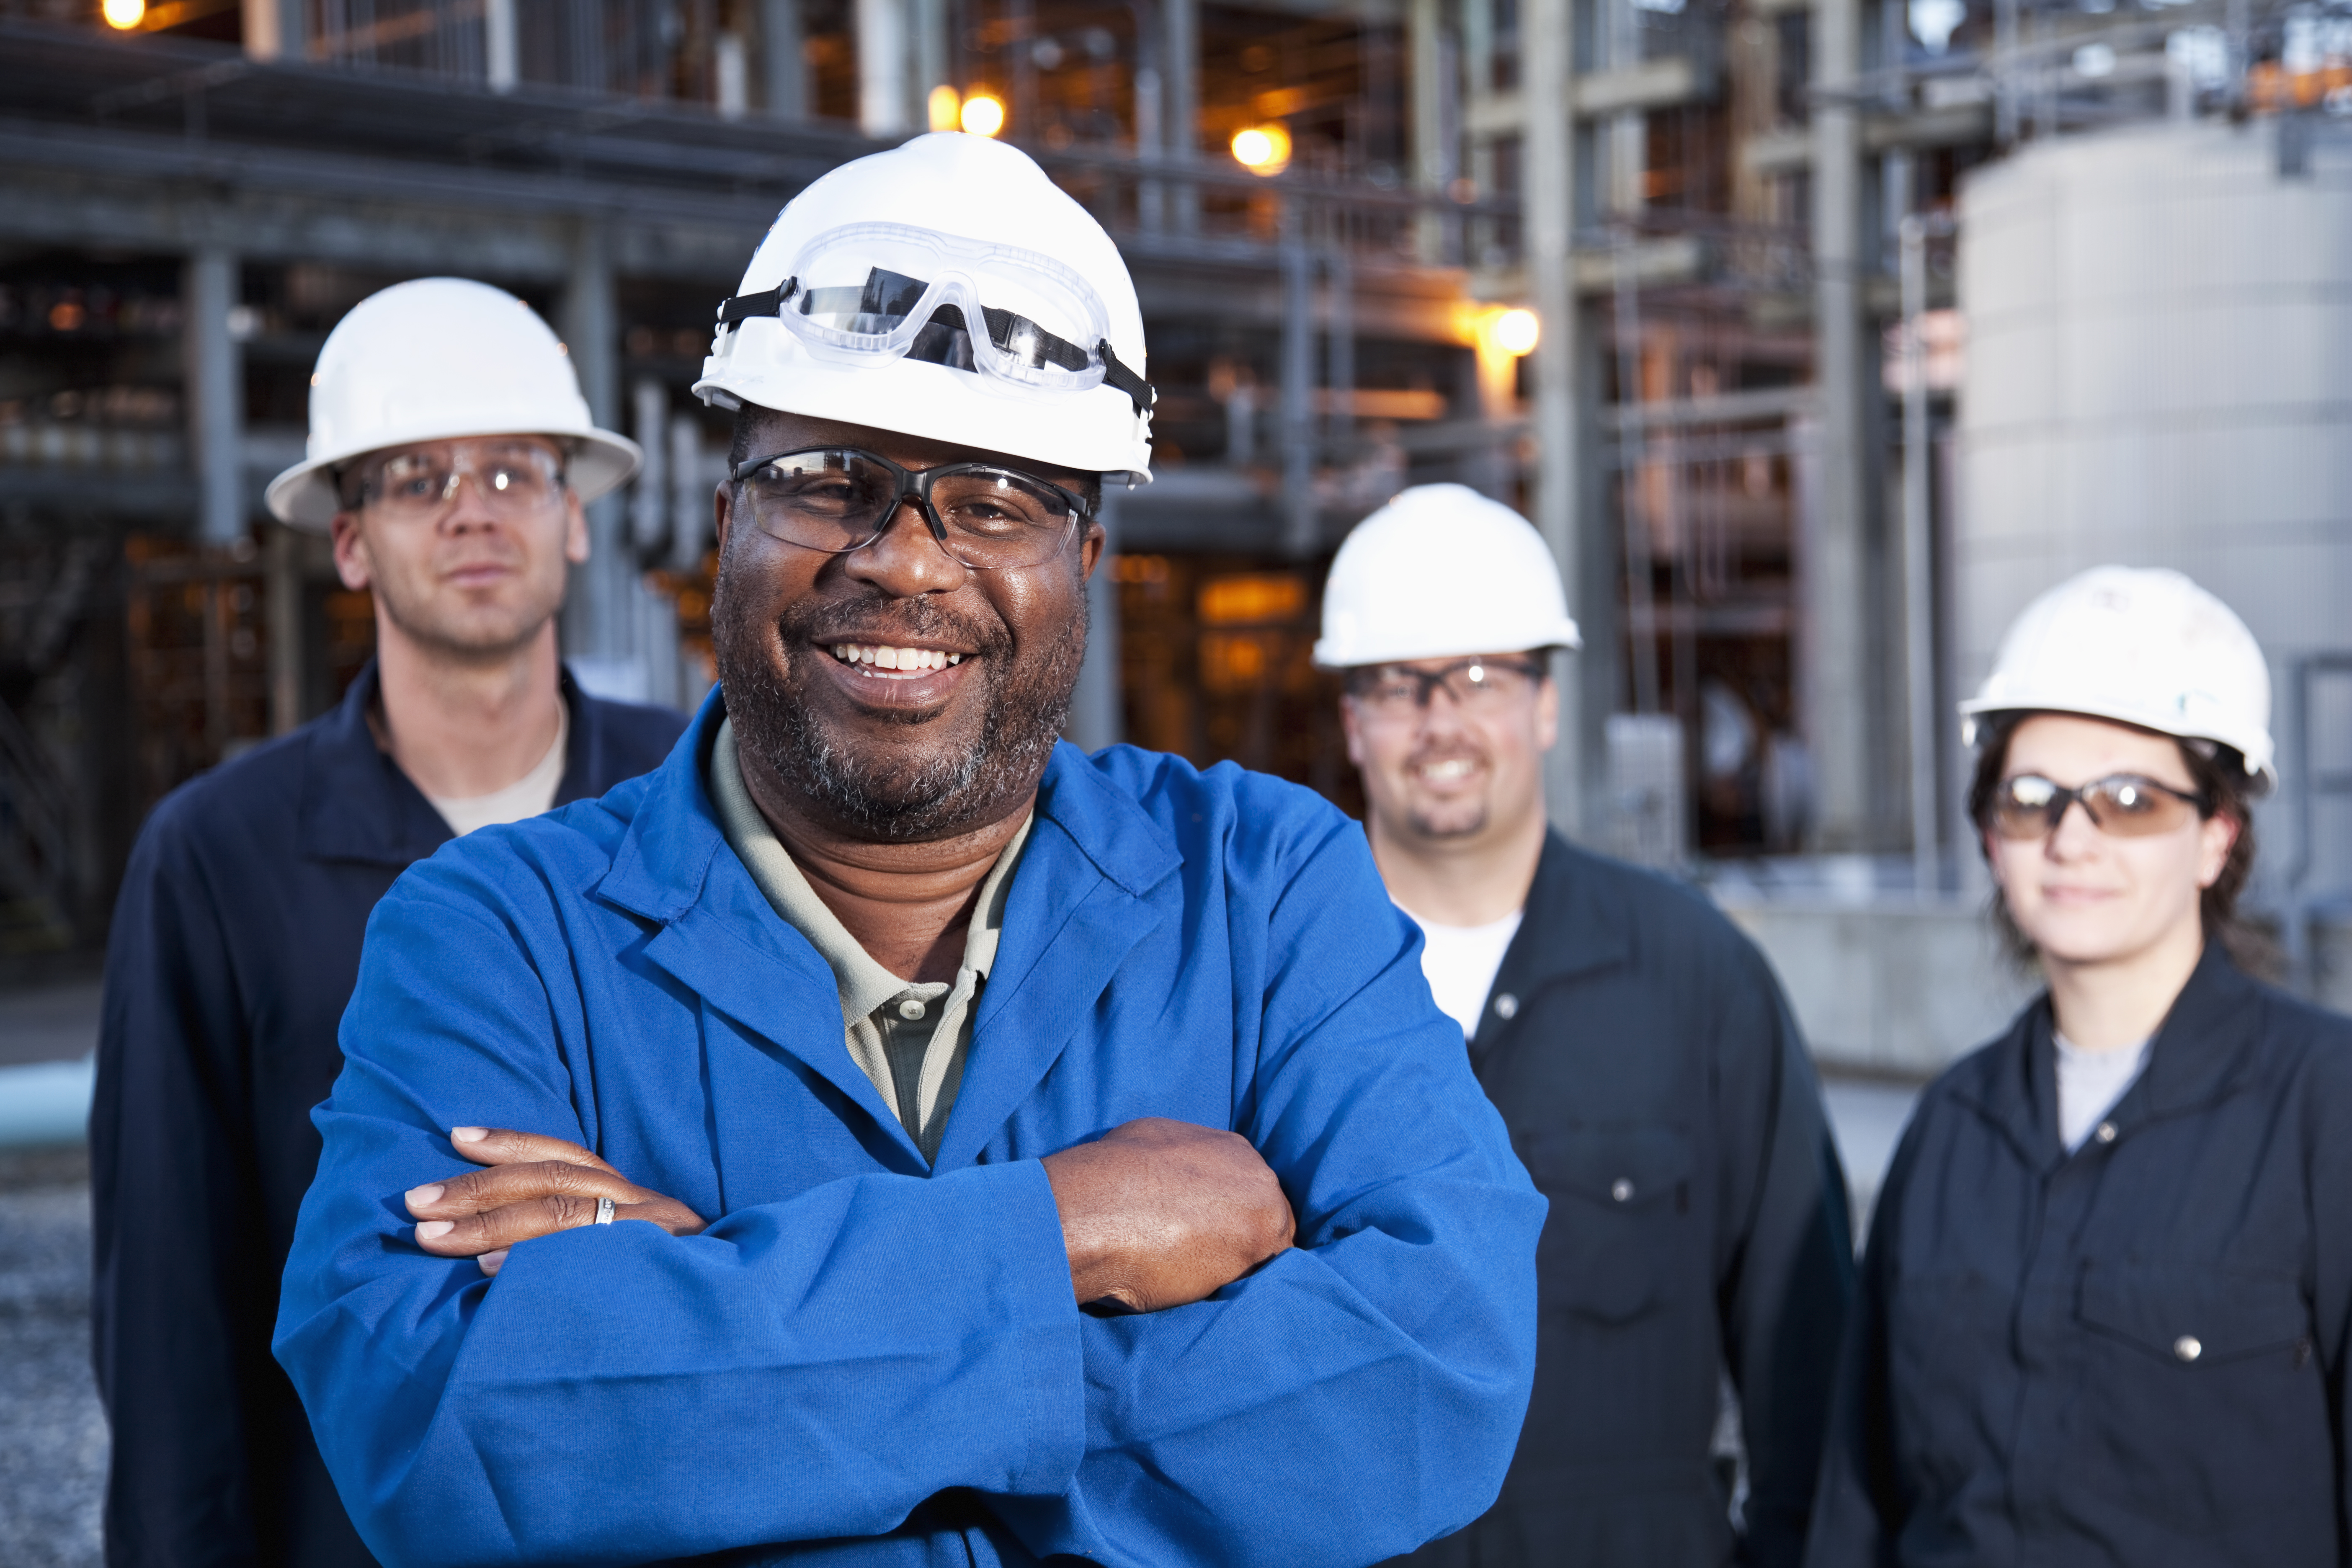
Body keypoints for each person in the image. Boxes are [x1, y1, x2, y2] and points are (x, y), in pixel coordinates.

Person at [271, 133, 1543, 1568]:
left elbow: (1436, 1372)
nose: (905, 559)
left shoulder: (1260, 886)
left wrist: (695, 1315)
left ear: (1087, 564)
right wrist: (1055, 1235)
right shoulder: (496, 937)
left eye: (998, 500)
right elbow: (448, 1424)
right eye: (827, 479)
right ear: (725, 520)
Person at [91, 277, 687, 1568]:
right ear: (351, 539)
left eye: (514, 472)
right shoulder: (218, 854)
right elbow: (170, 1306)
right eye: (418, 479)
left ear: (575, 517)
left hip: (673, 1511)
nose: (473, 510)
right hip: (354, 1531)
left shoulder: (699, 805)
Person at [1320, 485, 1855, 1568]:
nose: (1442, 723)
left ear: (1548, 703)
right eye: (1400, 685)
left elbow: (1810, 1361)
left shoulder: (1694, 977)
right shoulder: (1274, 983)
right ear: (1353, 719)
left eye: (1480, 678)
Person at [1806, 564, 2352, 1566]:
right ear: (1989, 837)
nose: (2072, 837)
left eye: (2131, 800)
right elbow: (1859, 1499)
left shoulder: (2325, 1111)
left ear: (2215, 839)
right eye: (2031, 799)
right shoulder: (1951, 1129)